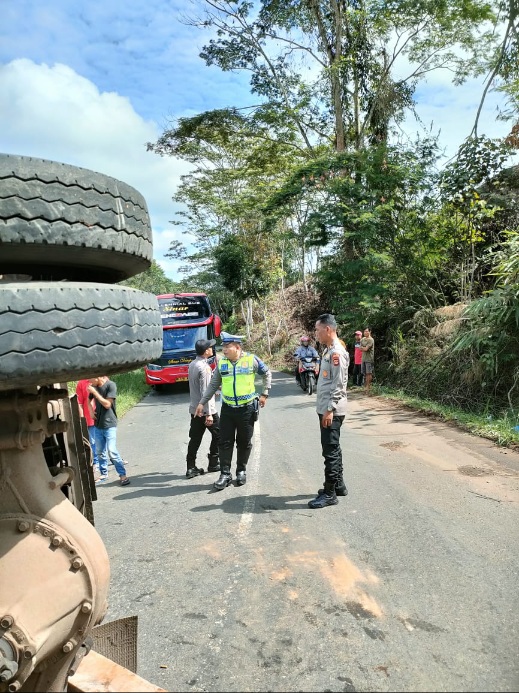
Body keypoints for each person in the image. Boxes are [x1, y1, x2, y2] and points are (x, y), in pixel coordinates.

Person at [195, 331, 272, 491]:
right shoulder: (222, 363)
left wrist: (264, 392)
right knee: (224, 442)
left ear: (237, 347)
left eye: (227, 346)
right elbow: (213, 384)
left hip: (247, 410)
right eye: (223, 346)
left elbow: (267, 373)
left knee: (244, 442)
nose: (224, 350)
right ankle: (225, 474)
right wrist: (202, 403)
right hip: (228, 410)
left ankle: (241, 471)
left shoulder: (251, 360)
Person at [309, 313, 349, 509]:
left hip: (330, 410)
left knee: (330, 451)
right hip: (326, 408)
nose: (316, 333)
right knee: (334, 448)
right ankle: (339, 485)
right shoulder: (328, 350)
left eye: (317, 330)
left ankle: (330, 493)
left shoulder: (337, 353)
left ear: (328, 329)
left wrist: (329, 409)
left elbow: (339, 385)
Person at [185, 338, 221, 479]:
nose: (212, 349)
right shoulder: (204, 368)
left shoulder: (193, 364)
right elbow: (205, 392)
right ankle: (213, 462)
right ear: (206, 351)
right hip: (206, 410)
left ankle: (190, 467)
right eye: (210, 347)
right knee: (219, 435)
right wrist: (209, 414)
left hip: (194, 409)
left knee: (195, 439)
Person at [87, 376, 130, 486]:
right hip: (98, 425)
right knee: (99, 451)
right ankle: (103, 474)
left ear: (97, 377)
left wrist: (95, 393)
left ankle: (122, 475)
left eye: (90, 378)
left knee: (112, 451)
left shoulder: (111, 385)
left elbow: (107, 404)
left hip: (109, 424)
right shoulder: (93, 387)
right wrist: (91, 411)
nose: (89, 381)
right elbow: (88, 401)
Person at [75, 378, 99, 476]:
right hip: (89, 418)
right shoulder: (81, 383)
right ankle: (96, 462)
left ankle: (112, 459)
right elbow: (79, 403)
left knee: (105, 438)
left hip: (101, 416)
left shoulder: (102, 379)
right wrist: (82, 419)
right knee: (92, 441)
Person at [360, 327, 375, 395]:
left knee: (369, 373)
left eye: (367, 331)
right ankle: (365, 387)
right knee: (365, 374)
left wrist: (364, 348)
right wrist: (364, 348)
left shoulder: (371, 340)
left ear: (370, 332)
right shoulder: (362, 339)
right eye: (364, 331)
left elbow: (365, 349)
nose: (365, 332)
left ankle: (368, 388)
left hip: (369, 359)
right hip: (363, 358)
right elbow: (360, 348)